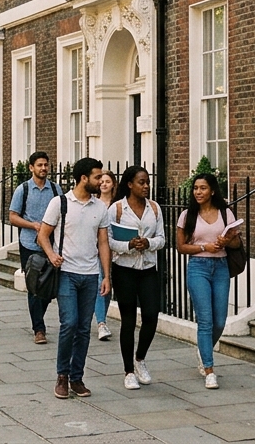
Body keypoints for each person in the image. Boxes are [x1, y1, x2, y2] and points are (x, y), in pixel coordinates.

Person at [38, 157, 111, 400]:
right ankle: (62, 376)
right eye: (97, 177)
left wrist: (106, 276)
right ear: (83, 178)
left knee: (83, 328)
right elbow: (43, 235)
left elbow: (103, 242)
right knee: (69, 323)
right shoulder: (60, 203)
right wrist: (51, 255)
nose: (102, 181)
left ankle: (77, 378)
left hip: (90, 274)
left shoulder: (100, 207)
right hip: (67, 273)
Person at [175, 172, 242, 390]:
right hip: (198, 267)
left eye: (203, 188)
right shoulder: (187, 215)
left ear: (212, 190)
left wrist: (227, 240)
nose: (198, 192)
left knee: (220, 321)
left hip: (220, 267)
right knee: (205, 320)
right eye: (195, 188)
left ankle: (203, 351)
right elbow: (181, 246)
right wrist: (205, 247)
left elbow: (236, 244)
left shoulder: (226, 213)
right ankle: (209, 370)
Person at [108, 166, 165, 390]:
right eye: (141, 182)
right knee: (128, 320)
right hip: (124, 268)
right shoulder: (117, 209)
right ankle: (128, 371)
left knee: (151, 315)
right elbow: (109, 241)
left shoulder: (155, 208)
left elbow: (162, 238)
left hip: (148, 267)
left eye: (147, 182)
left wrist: (148, 243)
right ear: (130, 184)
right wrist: (129, 245)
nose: (146, 186)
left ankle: (140, 358)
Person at [8, 151, 62, 344]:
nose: (43, 168)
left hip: (51, 245)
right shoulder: (23, 189)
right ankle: (39, 328)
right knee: (34, 287)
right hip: (29, 244)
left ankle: (38, 319)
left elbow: (64, 215)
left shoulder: (56, 190)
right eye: (39, 165)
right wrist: (33, 225)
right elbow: (12, 216)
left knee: (49, 286)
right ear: (31, 167)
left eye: (46, 165)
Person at [93, 171, 117, 341]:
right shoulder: (93, 203)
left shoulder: (118, 205)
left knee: (107, 286)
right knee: (100, 282)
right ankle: (101, 323)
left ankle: (102, 318)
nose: (104, 184)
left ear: (113, 184)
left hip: (115, 251)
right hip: (95, 250)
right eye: (101, 181)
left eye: (107, 181)